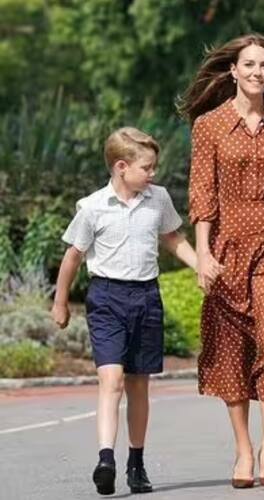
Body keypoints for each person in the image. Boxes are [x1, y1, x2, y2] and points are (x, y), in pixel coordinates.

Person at [178, 33, 264, 488]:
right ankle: (242, 450)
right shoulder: (209, 126)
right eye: (250, 65)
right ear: (233, 71)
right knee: (230, 348)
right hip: (225, 246)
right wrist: (202, 253)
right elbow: (202, 193)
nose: (258, 72)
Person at [50, 127, 197, 495]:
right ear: (121, 167)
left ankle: (136, 461)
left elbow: (173, 238)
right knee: (111, 380)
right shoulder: (93, 208)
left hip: (146, 297)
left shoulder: (158, 198)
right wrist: (60, 300)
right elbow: (73, 256)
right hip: (106, 299)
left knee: (138, 384)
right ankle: (106, 459)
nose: (153, 173)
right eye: (147, 167)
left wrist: (201, 266)